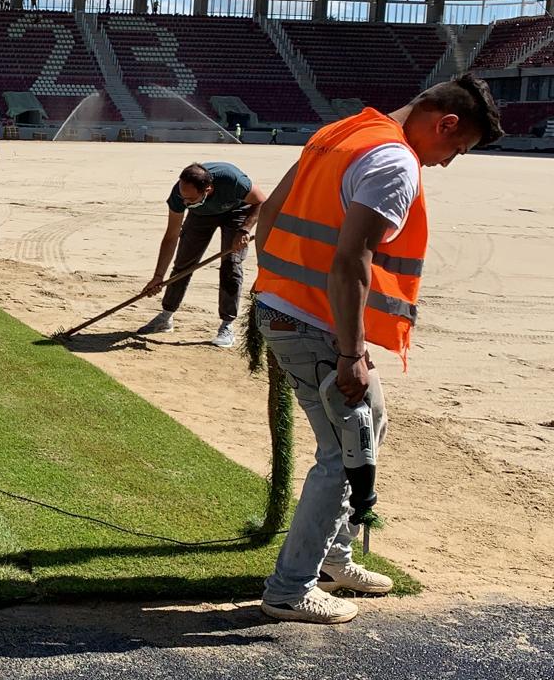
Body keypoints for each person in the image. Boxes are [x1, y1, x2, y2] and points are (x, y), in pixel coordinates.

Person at [253, 74, 503, 625]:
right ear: (446, 123)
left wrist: (272, 288)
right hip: (319, 326)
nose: (445, 163)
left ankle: (334, 560)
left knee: (368, 430)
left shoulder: (343, 132)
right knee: (346, 455)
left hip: (286, 309)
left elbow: (269, 213)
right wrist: (351, 354)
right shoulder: (394, 161)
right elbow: (351, 261)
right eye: (455, 150)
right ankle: (291, 588)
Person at [138, 162, 266, 347]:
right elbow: (171, 236)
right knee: (183, 264)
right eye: (183, 198)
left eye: (189, 199)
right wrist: (158, 276)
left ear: (208, 189)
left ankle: (227, 325)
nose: (184, 202)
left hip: (237, 211)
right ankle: (166, 317)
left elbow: (261, 201)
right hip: (201, 215)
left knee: (231, 264)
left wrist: (245, 230)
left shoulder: (233, 180)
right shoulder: (179, 195)